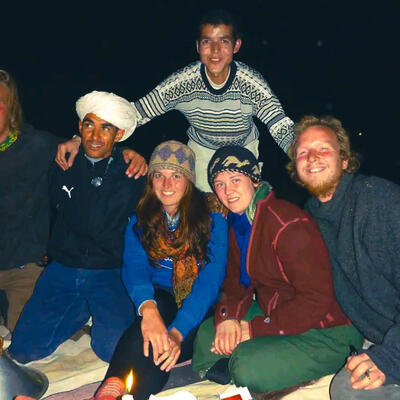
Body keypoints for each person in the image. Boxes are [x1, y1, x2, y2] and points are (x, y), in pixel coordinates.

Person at [55, 9, 294, 191]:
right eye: (207, 41)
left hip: (243, 147)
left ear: (236, 45)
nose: (215, 50)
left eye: (223, 41)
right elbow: (134, 113)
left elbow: (280, 125)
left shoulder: (251, 83)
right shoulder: (182, 82)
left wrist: (303, 155)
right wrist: (80, 138)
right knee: (202, 215)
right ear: (198, 46)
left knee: (243, 211)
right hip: (202, 151)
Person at [192, 145, 362, 394]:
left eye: (235, 179)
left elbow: (316, 300)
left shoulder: (286, 224)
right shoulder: (240, 223)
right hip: (276, 310)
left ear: (253, 180)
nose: (228, 191)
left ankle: (276, 366)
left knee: (247, 366)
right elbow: (234, 282)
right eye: (219, 184)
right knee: (208, 335)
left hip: (327, 329)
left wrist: (255, 329)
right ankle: (260, 361)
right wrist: (229, 317)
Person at [8, 91, 145, 363]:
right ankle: (80, 309)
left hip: (110, 271)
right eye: (89, 125)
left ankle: (94, 308)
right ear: (80, 127)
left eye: (106, 128)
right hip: (63, 268)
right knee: (23, 350)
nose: (95, 136)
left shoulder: (133, 173)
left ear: (118, 134)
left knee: (112, 351)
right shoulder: (61, 162)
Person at [89, 141, 228, 400]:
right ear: (150, 180)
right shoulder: (140, 219)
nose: (166, 184)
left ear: (188, 180)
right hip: (159, 297)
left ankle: (127, 389)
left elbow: (210, 280)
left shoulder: (212, 218)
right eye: (159, 175)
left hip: (200, 305)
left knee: (163, 351)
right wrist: (148, 309)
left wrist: (176, 332)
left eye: (176, 176)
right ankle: (113, 386)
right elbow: (135, 268)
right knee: (155, 317)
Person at [287, 115, 400, 399]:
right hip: (376, 340)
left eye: (323, 148)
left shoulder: (379, 200)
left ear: (345, 160)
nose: (312, 157)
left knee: (347, 391)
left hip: (393, 348)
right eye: (303, 152)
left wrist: (390, 358)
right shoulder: (310, 221)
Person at [0, 69, 59, 332]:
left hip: (23, 269)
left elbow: (93, 154)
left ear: (11, 111)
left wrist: (127, 154)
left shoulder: (37, 146)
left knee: (25, 343)